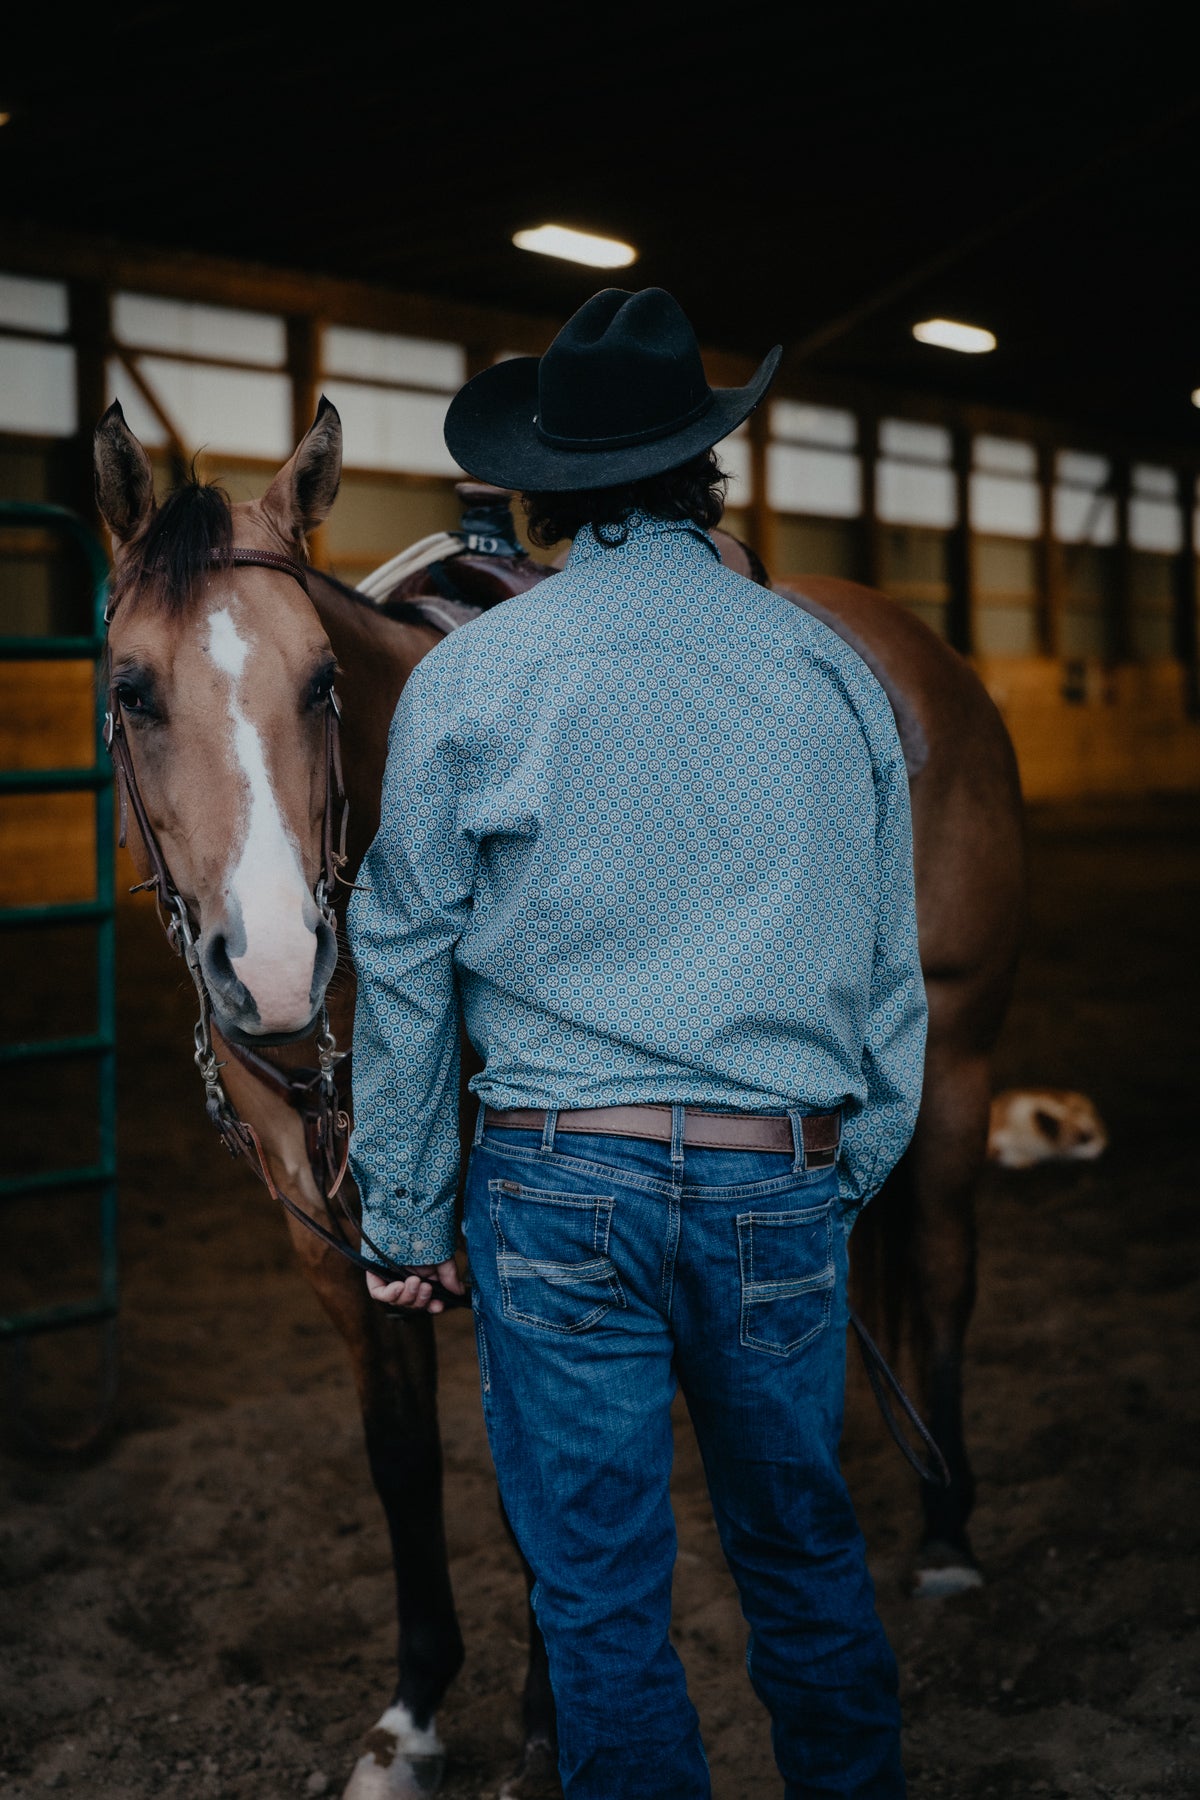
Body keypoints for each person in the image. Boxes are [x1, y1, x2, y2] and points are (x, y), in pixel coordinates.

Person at [346, 286, 927, 1799]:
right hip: (775, 1180)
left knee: (599, 1597)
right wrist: (831, 1178)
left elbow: (402, 951)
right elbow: (887, 971)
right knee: (804, 1561)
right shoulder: (828, 673)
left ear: (540, 492)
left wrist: (405, 1214)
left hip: (557, 1192)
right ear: (706, 468)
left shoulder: (474, 678)